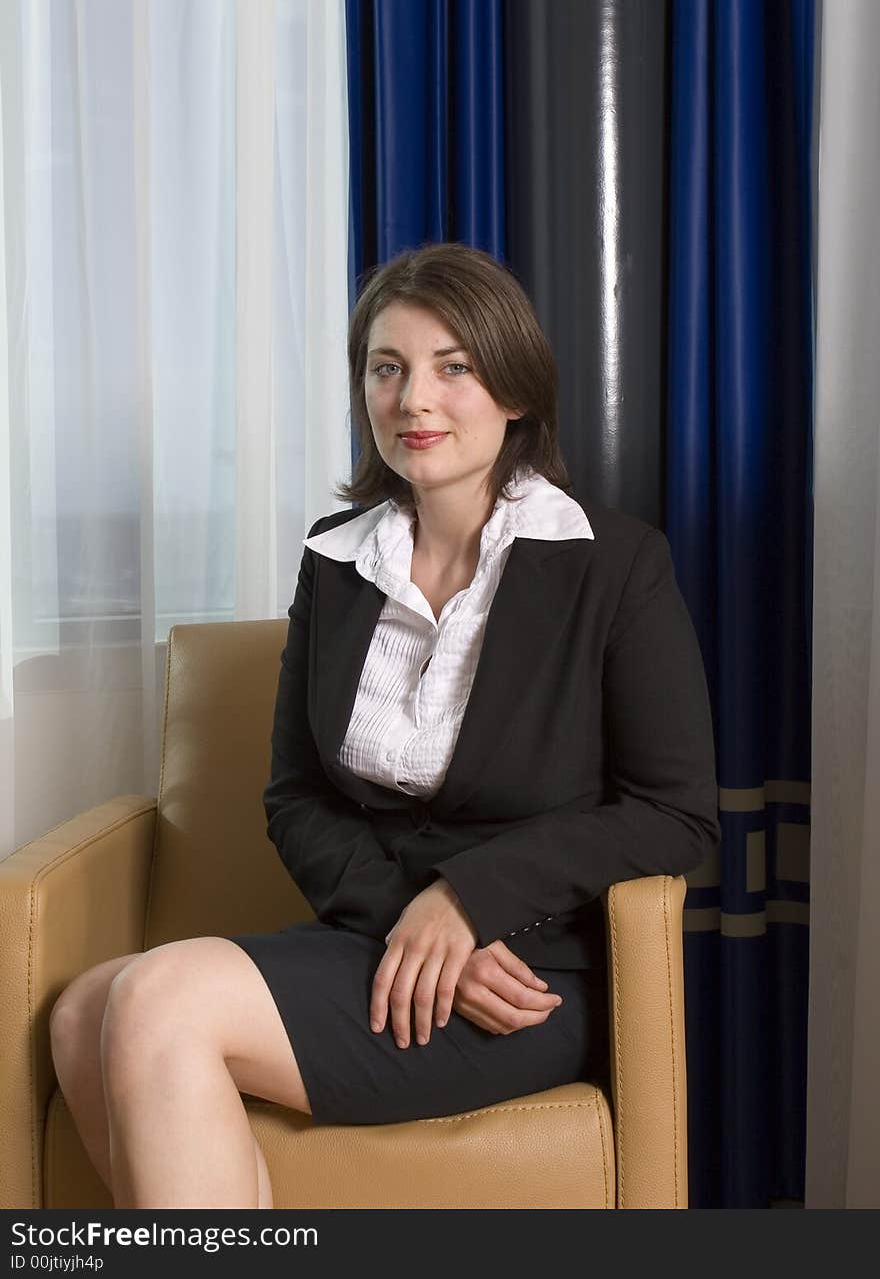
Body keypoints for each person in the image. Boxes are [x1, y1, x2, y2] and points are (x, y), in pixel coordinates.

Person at [48, 241, 719, 1209]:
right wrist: (412, 909)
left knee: (152, 1002)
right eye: (386, 368)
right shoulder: (335, 562)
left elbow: (676, 815)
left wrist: (468, 903)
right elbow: (295, 796)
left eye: (453, 367)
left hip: (521, 974)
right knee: (78, 1012)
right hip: (373, 934)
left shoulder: (612, 566)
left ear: (516, 389)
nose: (414, 400)